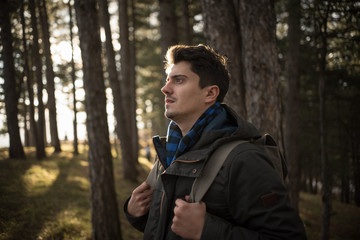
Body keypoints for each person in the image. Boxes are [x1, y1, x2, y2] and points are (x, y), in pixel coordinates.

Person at [124, 44, 307, 240]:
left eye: (179, 80)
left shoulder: (243, 160)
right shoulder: (168, 154)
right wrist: (135, 213)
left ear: (210, 93)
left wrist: (207, 231)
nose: (165, 88)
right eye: (168, 80)